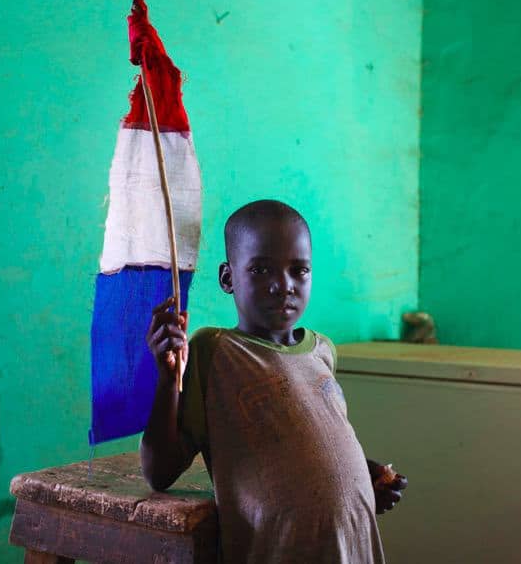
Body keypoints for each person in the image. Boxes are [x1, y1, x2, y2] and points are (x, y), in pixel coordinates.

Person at [141, 199, 406, 563]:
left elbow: (307, 443)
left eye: (299, 270)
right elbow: (159, 472)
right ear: (228, 278)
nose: (284, 285)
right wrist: (168, 381)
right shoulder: (216, 352)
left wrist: (362, 474)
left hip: (352, 548)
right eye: (262, 270)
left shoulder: (323, 351)